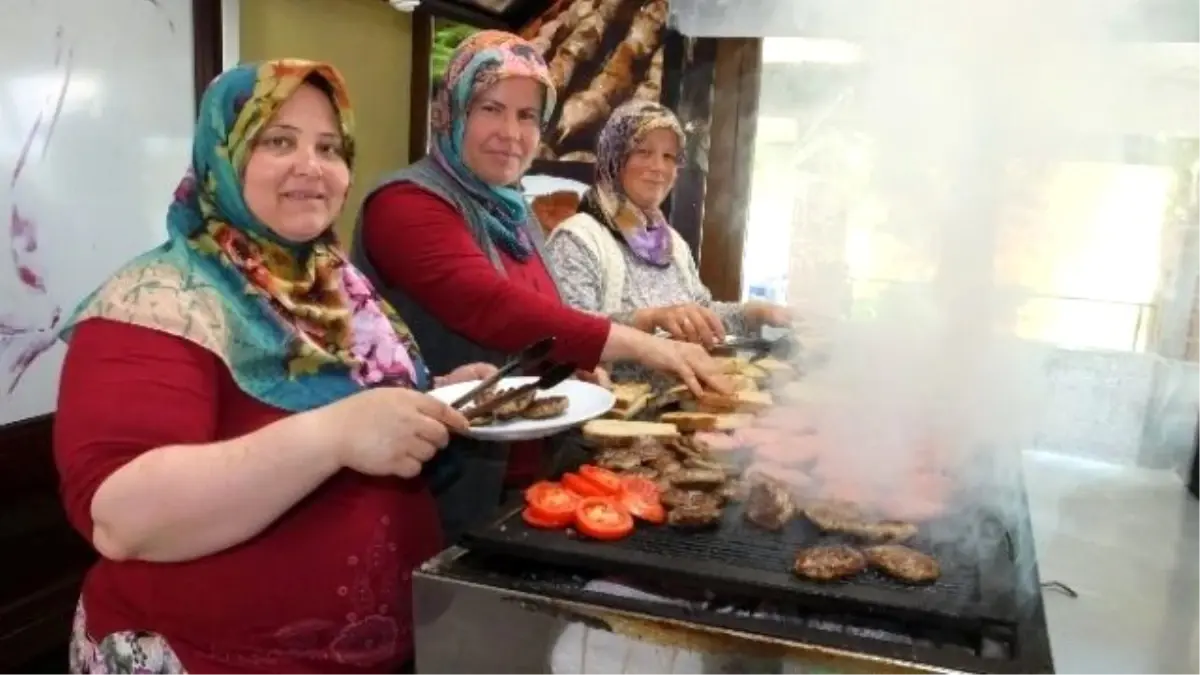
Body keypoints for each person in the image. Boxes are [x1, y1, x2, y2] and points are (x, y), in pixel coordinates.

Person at [54, 59, 488, 675]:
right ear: (223, 155)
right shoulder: (155, 299)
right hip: (204, 657)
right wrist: (334, 435)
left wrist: (439, 396)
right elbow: (123, 519)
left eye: (329, 147)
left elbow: (355, 405)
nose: (311, 167)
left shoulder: (337, 284)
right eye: (278, 141)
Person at [352, 31, 728, 540]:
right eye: (491, 108)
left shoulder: (511, 207)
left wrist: (573, 368)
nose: (512, 132)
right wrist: (641, 344)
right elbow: (492, 307)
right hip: (440, 486)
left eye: (527, 115)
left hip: (528, 477)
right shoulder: (405, 205)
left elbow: (544, 316)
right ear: (452, 110)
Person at [544, 100, 792, 354]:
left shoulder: (671, 244)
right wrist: (648, 320)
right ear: (614, 157)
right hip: (612, 393)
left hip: (681, 390)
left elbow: (701, 313)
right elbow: (565, 333)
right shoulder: (577, 239)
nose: (659, 168)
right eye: (643, 152)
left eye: (669, 156)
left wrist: (758, 312)